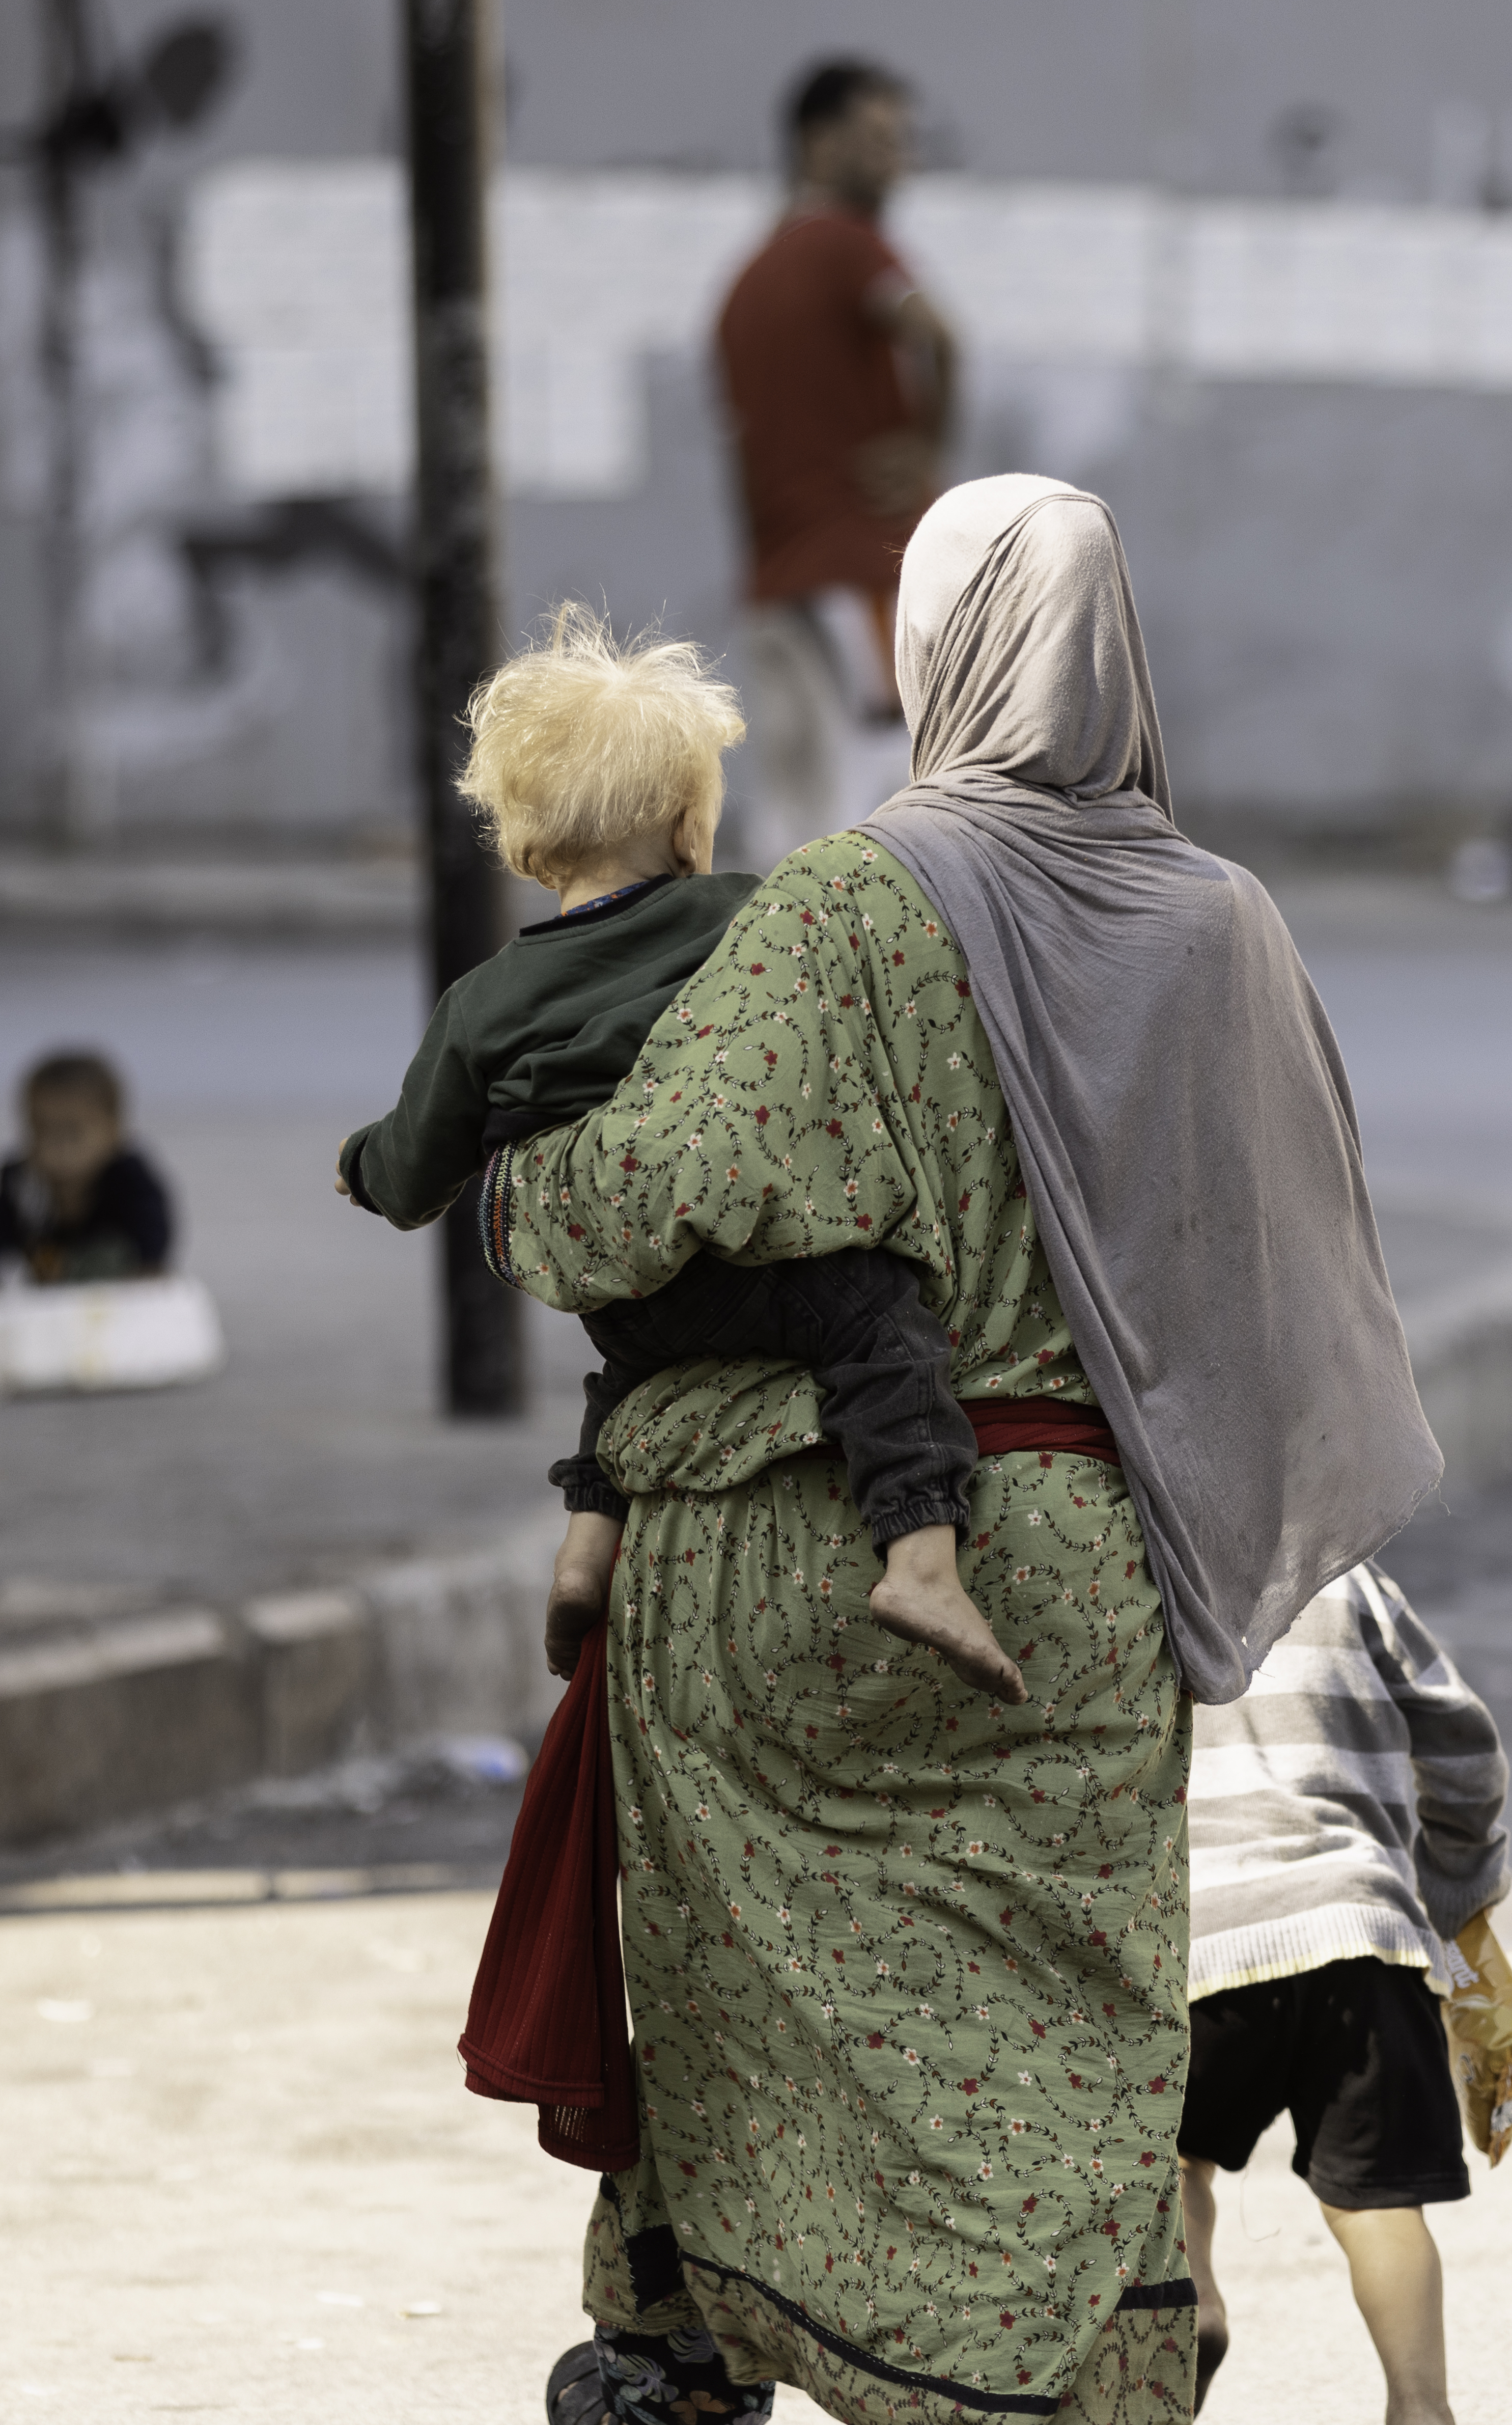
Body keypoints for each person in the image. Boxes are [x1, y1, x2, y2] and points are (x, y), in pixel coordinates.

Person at [480, 475, 1443, 2425]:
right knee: (1071, 2038)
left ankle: (698, 2414)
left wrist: (520, 1144)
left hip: (793, 1551)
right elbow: (1284, 1280)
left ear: (929, 646)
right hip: (1083, 1576)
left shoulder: (844, 906)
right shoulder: (1226, 931)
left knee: (758, 2010)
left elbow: (615, 1210)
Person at [339, 604, 1020, 1700]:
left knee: (626, 1376)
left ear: (523, 833)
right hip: (769, 1258)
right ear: (687, 819)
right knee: (884, 1332)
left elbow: (416, 1165)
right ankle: (921, 1560)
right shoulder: (745, 916)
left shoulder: (485, 1000)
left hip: (632, 1294)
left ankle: (584, 1551)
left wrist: (360, 1165)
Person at [1173, 1557, 1510, 2425]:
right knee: (1378, 2203)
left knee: (1173, 2154)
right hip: (1362, 1930)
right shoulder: (1347, 1578)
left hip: (1202, 1940)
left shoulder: (1141, 1565)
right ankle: (1423, 2418)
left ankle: (1193, 2298)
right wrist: (1453, 1880)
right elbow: (1462, 1742)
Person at [712, 56, 956, 869]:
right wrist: (927, 445)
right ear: (818, 143)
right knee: (881, 805)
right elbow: (941, 334)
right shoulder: (852, 249)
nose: (899, 160)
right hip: (858, 573)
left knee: (790, 813)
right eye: (879, 139)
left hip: (777, 583)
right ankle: (868, 994)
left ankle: (778, 988)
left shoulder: (742, 285)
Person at [0, 1050, 177, 1294]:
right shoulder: (22, 1184)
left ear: (114, 1131)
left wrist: (151, 1268)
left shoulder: (129, 1181)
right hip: (51, 1301)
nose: (58, 1146)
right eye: (43, 1130)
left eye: (73, 1132)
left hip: (119, 1299)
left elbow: (155, 1228)